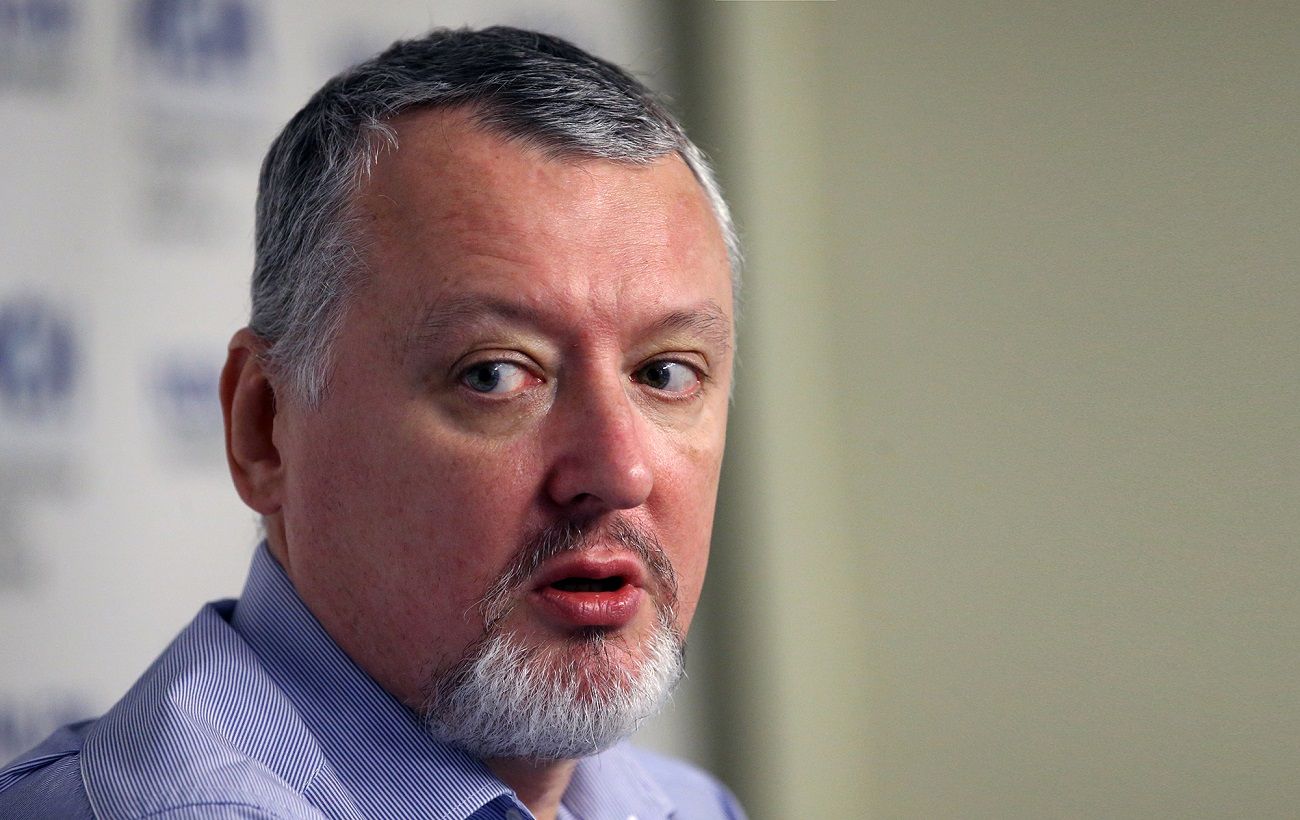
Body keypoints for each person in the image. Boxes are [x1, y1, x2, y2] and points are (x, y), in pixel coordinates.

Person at [0, 26, 743, 820]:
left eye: (665, 373)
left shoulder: (691, 807)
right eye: (494, 375)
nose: (620, 471)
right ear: (264, 428)